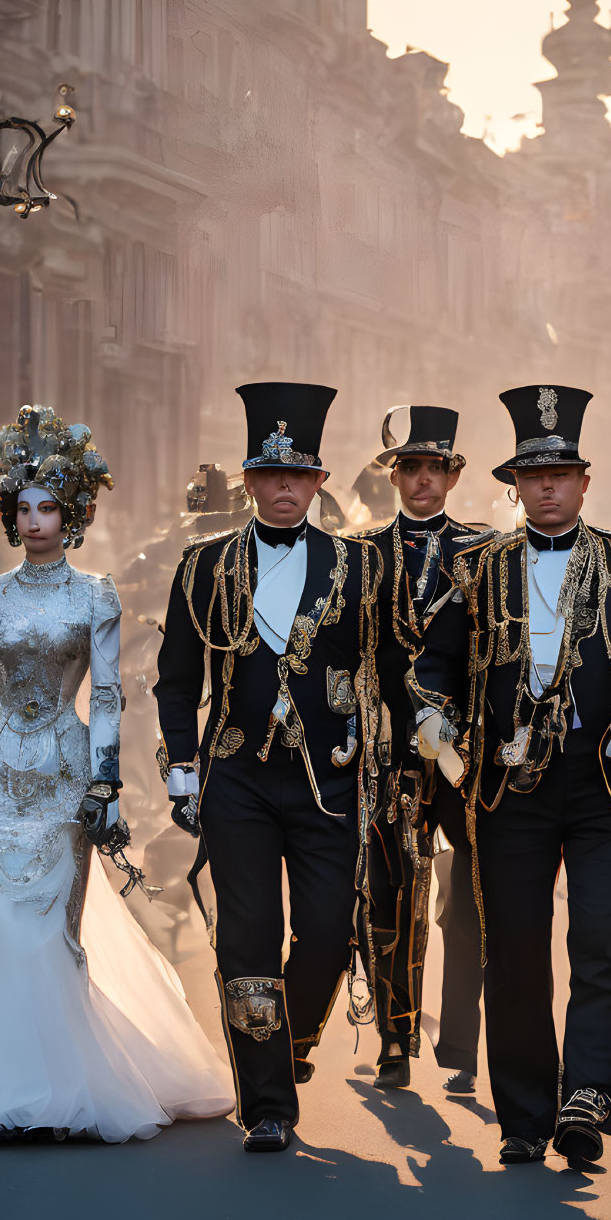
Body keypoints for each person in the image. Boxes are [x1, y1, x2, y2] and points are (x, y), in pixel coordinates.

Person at [0, 407, 233, 1140]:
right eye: (21, 508)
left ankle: (56, 1082)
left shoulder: (96, 595)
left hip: (64, 770)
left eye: (47, 507)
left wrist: (105, 782)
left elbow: (110, 695)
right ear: (8, 514)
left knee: (50, 928)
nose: (32, 520)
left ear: (74, 514)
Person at [410, 384, 611, 1167]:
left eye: (562, 475)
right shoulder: (474, 568)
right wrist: (435, 719)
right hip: (505, 790)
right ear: (515, 486)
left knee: (599, 945)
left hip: (602, 782)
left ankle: (586, 1098)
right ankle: (524, 1117)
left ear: (584, 481)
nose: (549, 489)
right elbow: (430, 666)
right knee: (517, 954)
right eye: (534, 478)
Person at [155, 382, 383, 1153]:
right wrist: (180, 766)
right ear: (249, 482)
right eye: (269, 475)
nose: (284, 488)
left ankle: (292, 1044)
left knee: (325, 934)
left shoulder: (361, 569)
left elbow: (391, 670)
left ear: (318, 484)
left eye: (299, 476)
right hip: (237, 779)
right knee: (247, 938)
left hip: (330, 779)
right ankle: (268, 1107)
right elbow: (178, 678)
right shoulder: (202, 565)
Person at [353, 405, 489, 1092]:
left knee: (467, 901)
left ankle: (460, 1042)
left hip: (465, 755)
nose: (422, 481)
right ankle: (396, 1038)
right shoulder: (359, 553)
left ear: (453, 475)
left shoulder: (488, 552)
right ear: (394, 476)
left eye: (434, 468)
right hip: (388, 753)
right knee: (393, 895)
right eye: (410, 468)